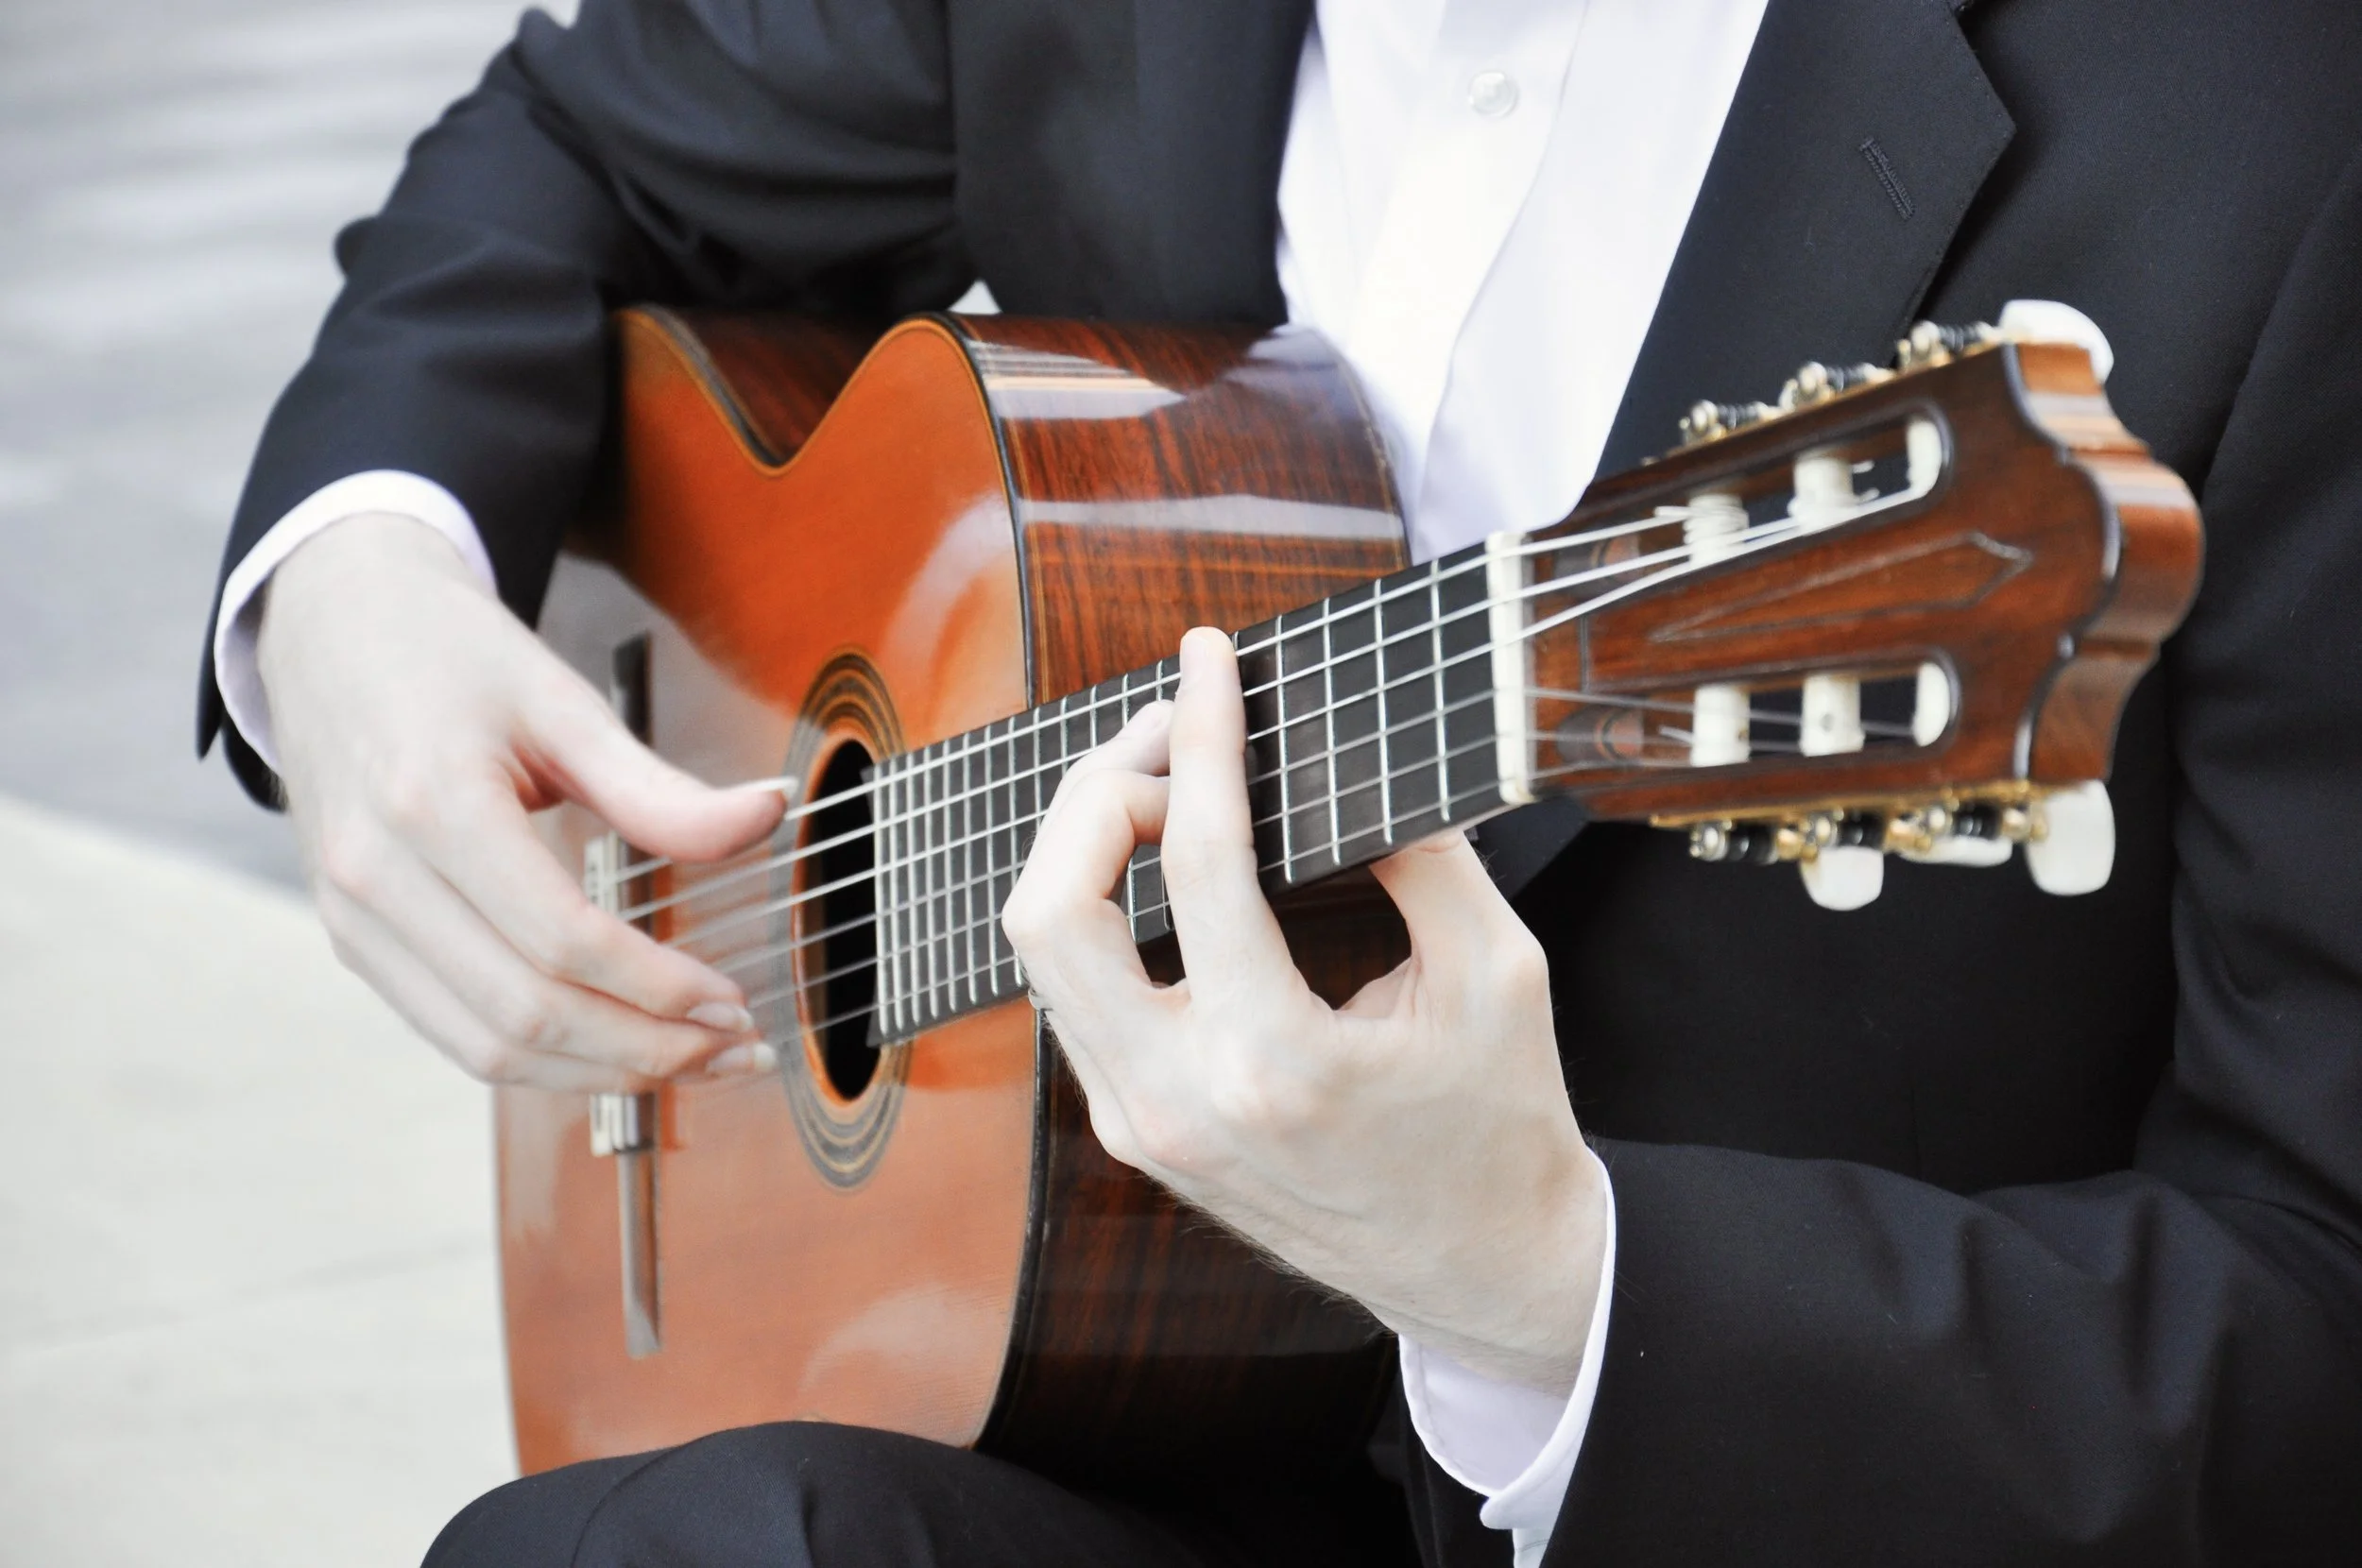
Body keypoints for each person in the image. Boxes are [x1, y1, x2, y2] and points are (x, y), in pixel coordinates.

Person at [200, 1, 2362, 1563]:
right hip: (1129, 1407)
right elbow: (580, 144)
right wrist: (355, 579)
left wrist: (1557, 1271)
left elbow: (2319, 1322)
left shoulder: (2269, 136)